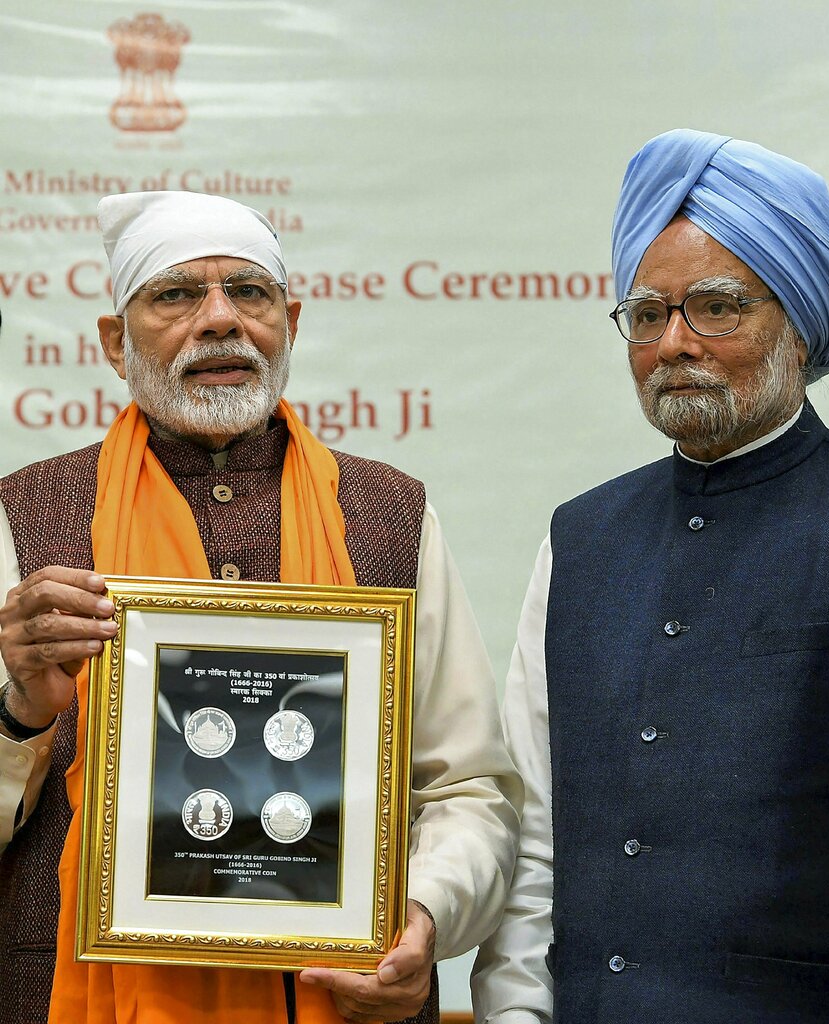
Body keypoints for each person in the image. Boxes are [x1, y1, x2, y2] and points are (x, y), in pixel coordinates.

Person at [0, 190, 521, 1024]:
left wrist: (422, 914)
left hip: (344, 995)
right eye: (174, 294)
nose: (219, 320)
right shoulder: (23, 519)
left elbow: (465, 787)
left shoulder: (388, 511)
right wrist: (21, 710)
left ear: (291, 323)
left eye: (249, 292)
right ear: (112, 340)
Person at [471, 129, 829, 1023]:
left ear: (801, 327)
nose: (673, 344)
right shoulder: (579, 536)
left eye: (717, 308)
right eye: (648, 315)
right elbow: (532, 824)